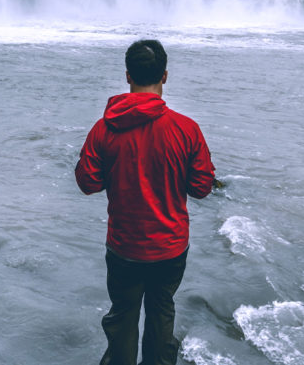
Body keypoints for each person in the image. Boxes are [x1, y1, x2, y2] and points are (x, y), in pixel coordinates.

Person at [75, 39, 215, 365]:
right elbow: (202, 188)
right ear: (165, 76)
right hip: (170, 247)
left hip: (124, 247)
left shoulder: (104, 129)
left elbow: (87, 183)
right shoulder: (187, 130)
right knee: (162, 312)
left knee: (122, 317)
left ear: (128, 76)